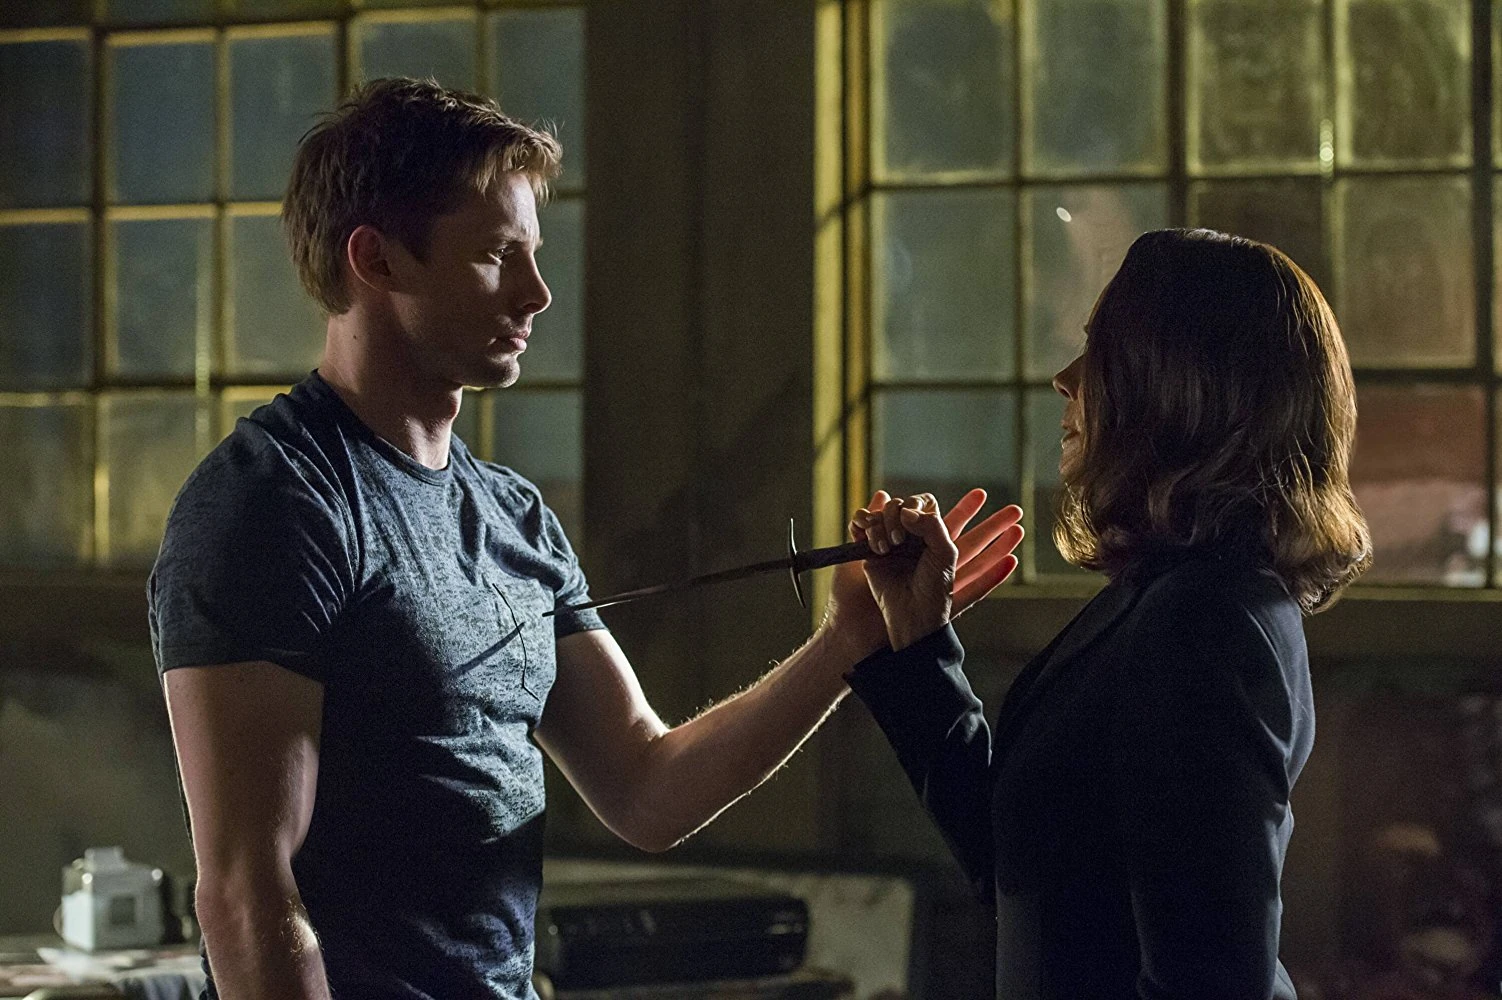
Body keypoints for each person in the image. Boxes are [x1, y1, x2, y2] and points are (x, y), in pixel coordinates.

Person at [148, 77, 1024, 1000]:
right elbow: (245, 893)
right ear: (376, 260)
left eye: (533, 255)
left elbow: (648, 788)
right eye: (498, 255)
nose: (537, 293)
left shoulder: (514, 517)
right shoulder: (273, 504)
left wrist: (849, 642)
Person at [844, 229, 1373, 999]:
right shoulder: (1164, 598)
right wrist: (919, 638)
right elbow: (1020, 865)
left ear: (1180, 386)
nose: (1064, 380)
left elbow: (1209, 985)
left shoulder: (1205, 623)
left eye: (1101, 353)